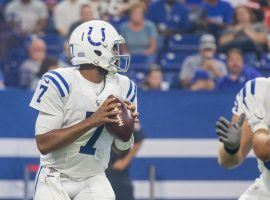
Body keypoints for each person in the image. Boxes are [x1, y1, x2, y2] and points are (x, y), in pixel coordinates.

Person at [30, 20, 139, 200]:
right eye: (113, 48)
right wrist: (92, 121)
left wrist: (126, 127)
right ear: (96, 51)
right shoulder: (60, 82)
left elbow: (121, 149)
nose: (117, 54)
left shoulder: (125, 86)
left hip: (93, 177)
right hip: (55, 176)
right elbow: (44, 144)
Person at [216, 77, 270, 199]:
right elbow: (227, 162)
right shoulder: (259, 90)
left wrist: (258, 124)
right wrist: (231, 149)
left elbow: (264, 150)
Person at [106, 123, 144, 200]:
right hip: (95, 168)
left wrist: (125, 161)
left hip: (116, 172)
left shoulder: (125, 113)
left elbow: (139, 139)